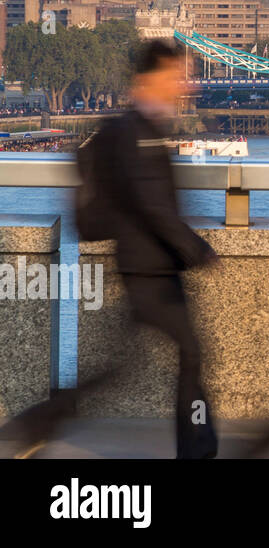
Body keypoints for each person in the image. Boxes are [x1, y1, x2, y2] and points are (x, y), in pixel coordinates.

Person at [6, 39, 219, 459]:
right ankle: (197, 448)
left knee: (127, 364)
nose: (183, 84)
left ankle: (40, 421)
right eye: (176, 74)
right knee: (188, 353)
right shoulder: (138, 132)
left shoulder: (142, 126)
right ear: (150, 78)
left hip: (151, 264)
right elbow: (151, 204)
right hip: (149, 267)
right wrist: (196, 248)